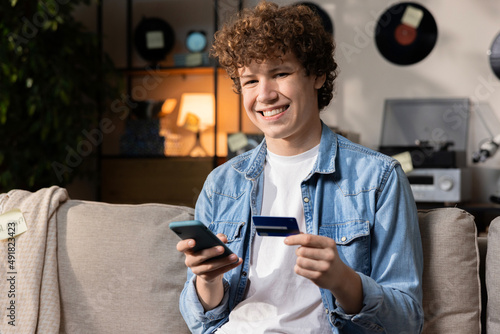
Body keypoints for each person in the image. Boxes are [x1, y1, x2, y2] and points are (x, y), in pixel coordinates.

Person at [176, 1, 424, 333]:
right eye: (249, 81)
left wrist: (344, 281)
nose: (264, 94)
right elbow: (200, 321)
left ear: (317, 75)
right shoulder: (222, 183)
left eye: (280, 73)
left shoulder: (378, 179)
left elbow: (406, 321)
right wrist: (207, 279)